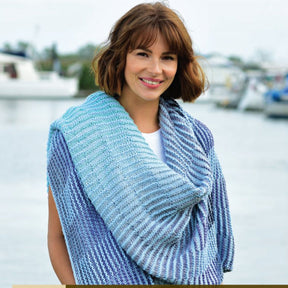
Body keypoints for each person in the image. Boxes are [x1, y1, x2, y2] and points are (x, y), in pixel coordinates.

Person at [47, 2, 234, 285]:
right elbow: (59, 236)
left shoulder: (197, 138)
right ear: (120, 57)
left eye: (168, 57)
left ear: (179, 65)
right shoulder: (75, 134)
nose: (155, 69)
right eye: (143, 54)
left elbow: (211, 231)